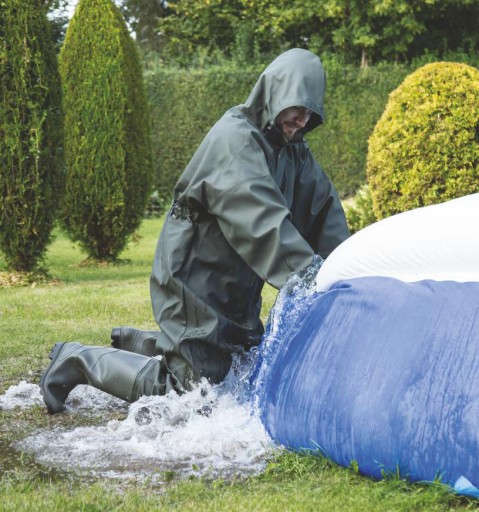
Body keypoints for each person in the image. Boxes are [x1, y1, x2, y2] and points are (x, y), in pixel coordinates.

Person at [40, 48, 350, 414]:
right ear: (276, 92)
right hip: (194, 275)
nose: (302, 120)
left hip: (234, 280)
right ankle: (77, 359)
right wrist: (307, 276)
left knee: (235, 368)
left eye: (310, 113)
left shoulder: (292, 149)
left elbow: (323, 210)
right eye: (297, 108)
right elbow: (259, 218)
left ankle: (137, 342)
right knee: (188, 391)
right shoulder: (235, 139)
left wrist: (348, 270)